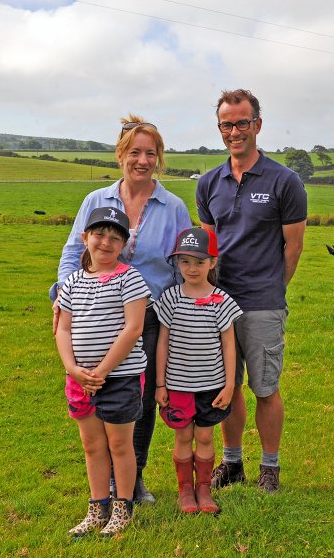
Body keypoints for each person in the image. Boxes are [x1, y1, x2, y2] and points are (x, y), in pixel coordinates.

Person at [51, 115, 192, 504]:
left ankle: (134, 476)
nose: (142, 160)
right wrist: (64, 299)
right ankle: (106, 478)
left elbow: (182, 266)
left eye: (151, 153)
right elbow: (70, 253)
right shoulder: (95, 201)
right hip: (94, 316)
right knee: (95, 387)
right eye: (135, 152)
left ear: (159, 159)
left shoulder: (174, 206)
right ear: (120, 155)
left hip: (146, 319)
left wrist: (180, 318)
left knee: (140, 399)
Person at [195, 89, 307, 492]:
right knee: (227, 386)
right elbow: (208, 248)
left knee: (265, 387)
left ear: (257, 125)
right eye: (227, 124)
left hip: (262, 303)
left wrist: (274, 289)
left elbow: (293, 246)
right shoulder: (208, 183)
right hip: (219, 302)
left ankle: (270, 468)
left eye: (243, 122)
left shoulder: (285, 181)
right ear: (220, 128)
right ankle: (233, 462)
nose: (235, 131)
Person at [55, 207, 150, 536]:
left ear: (124, 244)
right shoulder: (72, 283)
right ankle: (97, 508)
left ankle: (123, 508)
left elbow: (134, 328)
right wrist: (72, 368)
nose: (106, 242)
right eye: (99, 234)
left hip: (120, 378)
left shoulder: (130, 278)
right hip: (79, 379)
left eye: (115, 237)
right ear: (84, 238)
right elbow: (63, 329)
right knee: (92, 445)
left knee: (120, 445)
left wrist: (103, 371)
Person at [153, 227, 242, 513]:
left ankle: (204, 490)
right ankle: (185, 492)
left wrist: (229, 385)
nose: (192, 268)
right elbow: (162, 342)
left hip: (212, 386)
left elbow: (229, 345)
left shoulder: (222, 301)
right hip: (177, 386)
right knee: (182, 437)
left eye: (200, 262)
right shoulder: (170, 298)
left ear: (213, 262)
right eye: (185, 261)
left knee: (205, 437)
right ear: (177, 263)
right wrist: (160, 384)